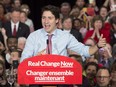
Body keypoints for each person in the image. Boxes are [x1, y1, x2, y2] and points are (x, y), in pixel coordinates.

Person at [20, 5, 106, 63]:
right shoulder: (33, 36)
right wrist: (36, 59)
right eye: (43, 18)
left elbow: (84, 51)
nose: (46, 21)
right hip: (38, 78)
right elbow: (23, 61)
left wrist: (97, 46)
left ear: (57, 20)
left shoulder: (66, 36)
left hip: (60, 78)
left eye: (49, 18)